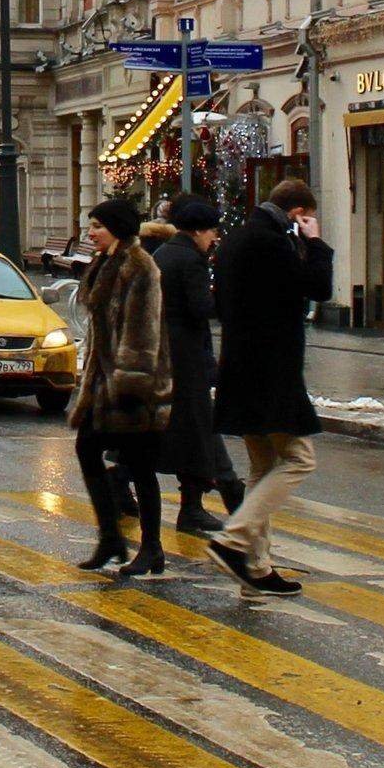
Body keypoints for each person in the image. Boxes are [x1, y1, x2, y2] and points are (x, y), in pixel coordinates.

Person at [207, 179, 333, 597]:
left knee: (262, 467)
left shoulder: (235, 240)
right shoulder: (272, 243)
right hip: (271, 372)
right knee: (299, 459)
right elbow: (318, 288)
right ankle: (234, 538)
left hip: (238, 366)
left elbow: (220, 305)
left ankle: (256, 569)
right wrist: (315, 243)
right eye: (306, 219)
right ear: (298, 213)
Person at [71, 197, 172, 577]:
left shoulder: (139, 265)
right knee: (89, 451)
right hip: (105, 383)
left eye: (97, 225)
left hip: (133, 385)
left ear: (116, 227)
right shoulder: (106, 262)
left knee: (140, 467)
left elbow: (143, 331)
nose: (91, 232)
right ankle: (111, 537)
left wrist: (130, 382)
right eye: (90, 225)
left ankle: (151, 548)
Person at [150, 194, 230, 533]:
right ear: (198, 231)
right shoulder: (192, 260)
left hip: (163, 353)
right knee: (195, 431)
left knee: (169, 429)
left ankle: (122, 477)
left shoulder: (163, 253)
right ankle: (191, 508)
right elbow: (201, 308)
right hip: (188, 357)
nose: (214, 238)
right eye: (212, 231)